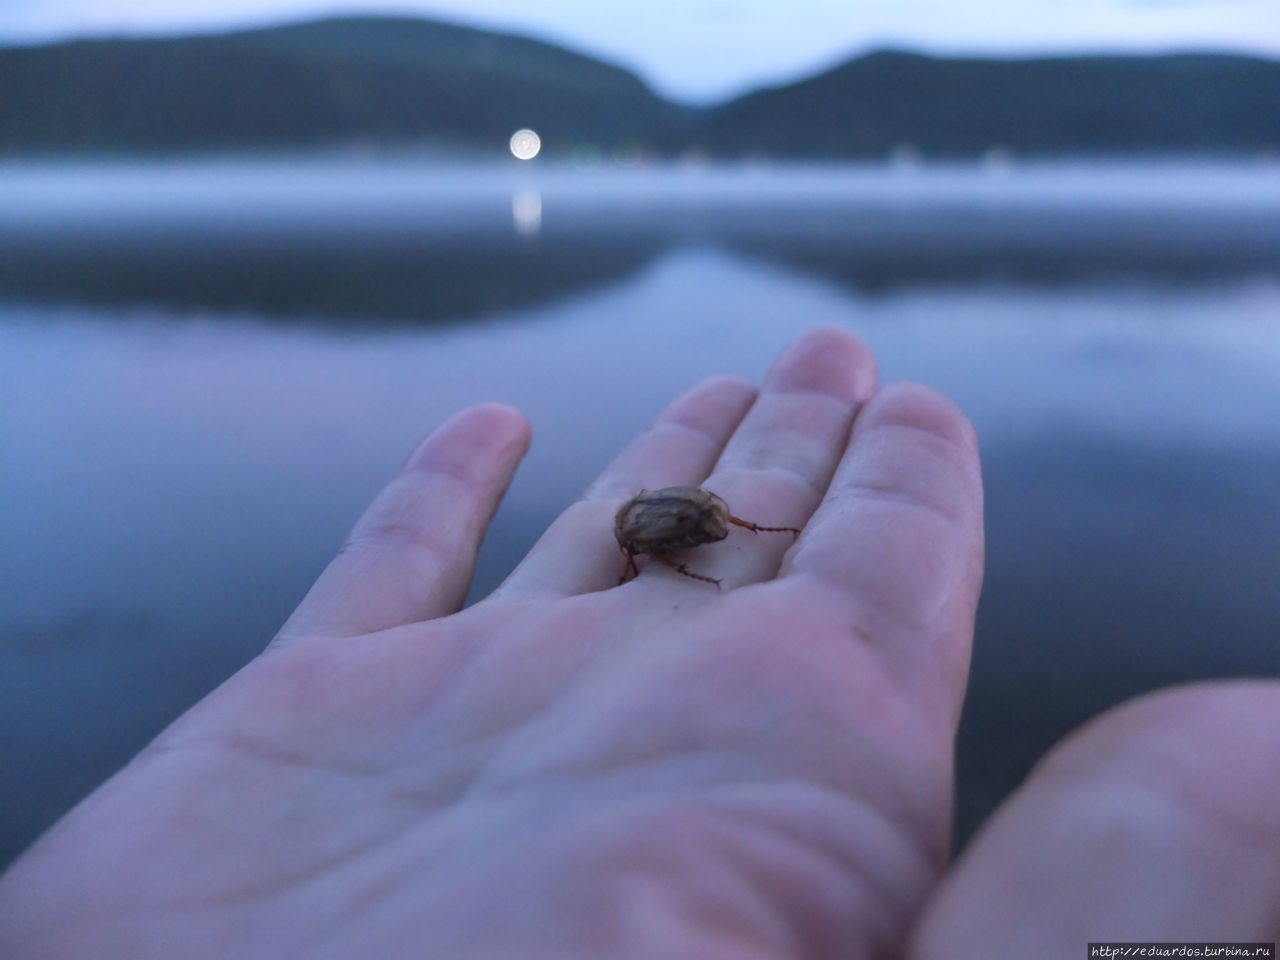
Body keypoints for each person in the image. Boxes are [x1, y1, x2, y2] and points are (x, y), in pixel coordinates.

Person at [1, 328, 1276, 959]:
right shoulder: (664, 531)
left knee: (735, 525)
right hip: (676, 526)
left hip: (678, 523)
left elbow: (679, 527)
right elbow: (675, 531)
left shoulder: (667, 525)